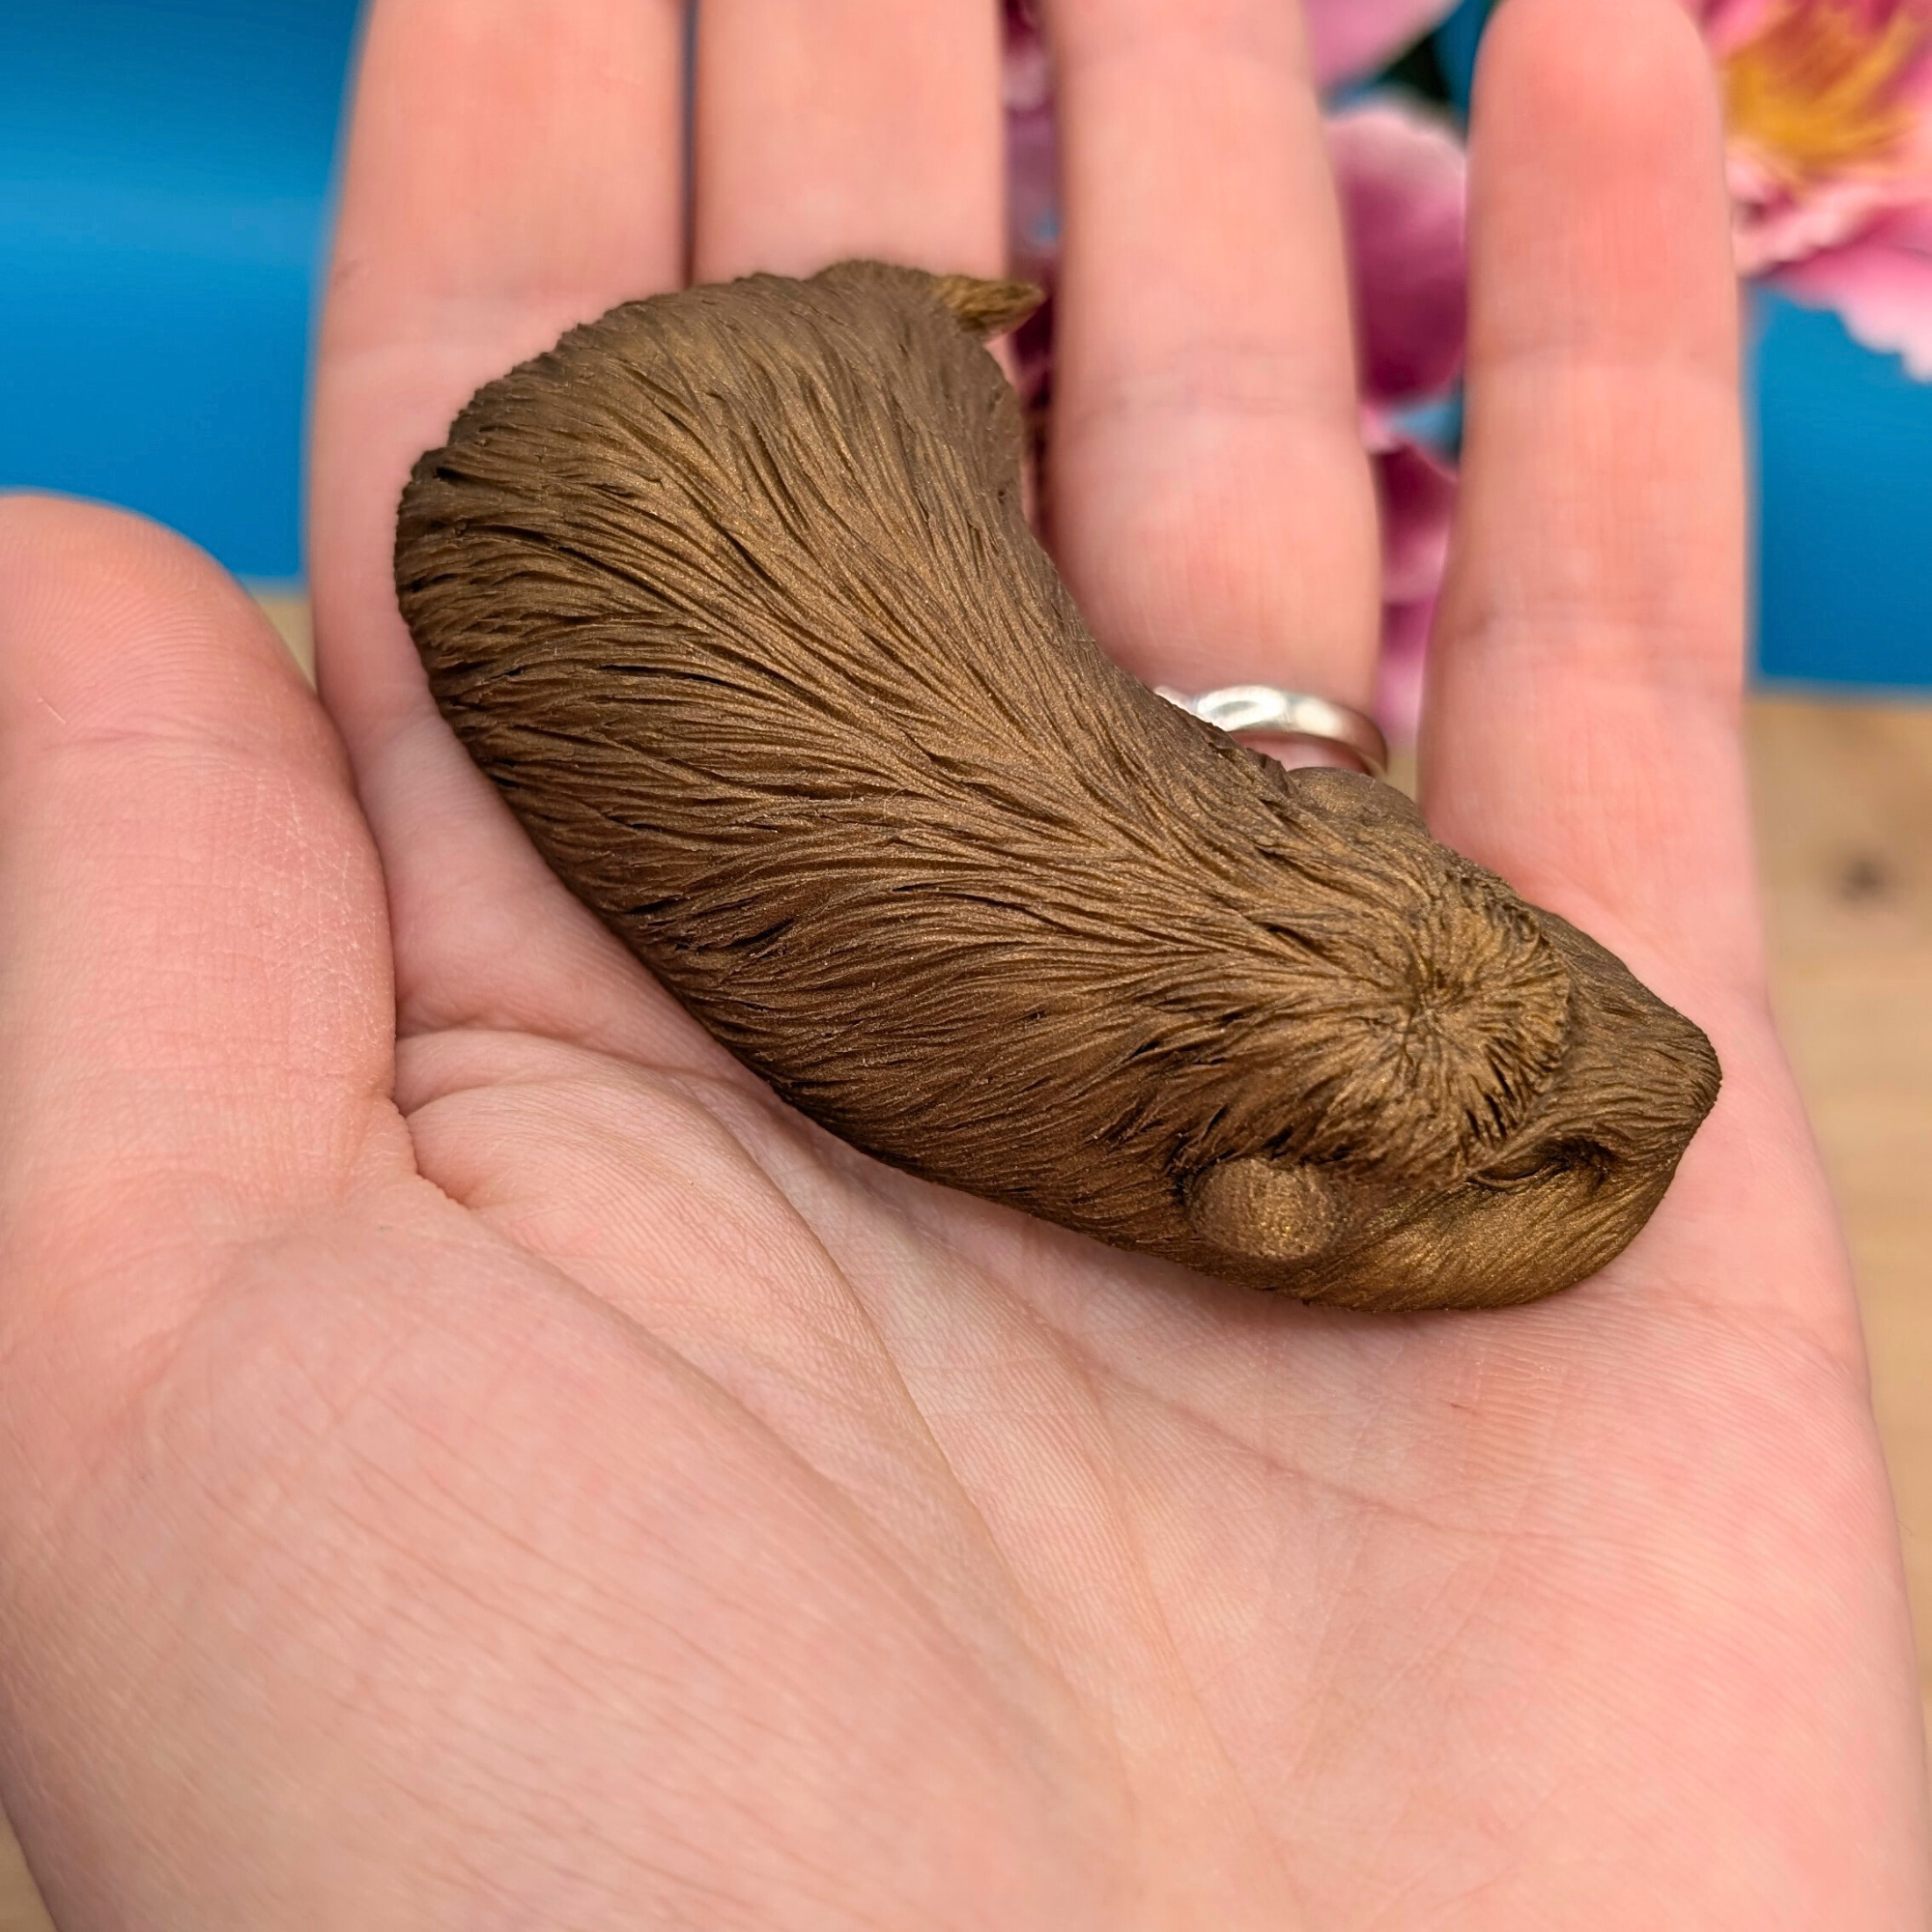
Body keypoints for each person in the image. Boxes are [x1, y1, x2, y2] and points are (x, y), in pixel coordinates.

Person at [0, 0, 1924, 1920]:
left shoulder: (1253, 1040)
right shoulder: (1232, 1131)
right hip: (676, 474)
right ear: (1264, 1208)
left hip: (792, 453)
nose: (1662, 1091)